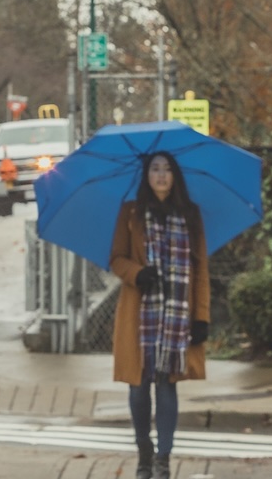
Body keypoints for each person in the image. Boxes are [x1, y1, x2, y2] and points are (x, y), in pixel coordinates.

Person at [109, 151, 211, 479]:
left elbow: (201, 270)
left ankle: (163, 460)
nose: (162, 175)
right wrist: (138, 274)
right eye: (155, 169)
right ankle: (144, 453)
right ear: (147, 175)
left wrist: (201, 318)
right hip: (139, 317)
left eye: (167, 169)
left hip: (178, 316)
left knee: (167, 386)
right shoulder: (131, 213)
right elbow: (116, 258)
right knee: (138, 388)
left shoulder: (190, 215)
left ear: (175, 175)